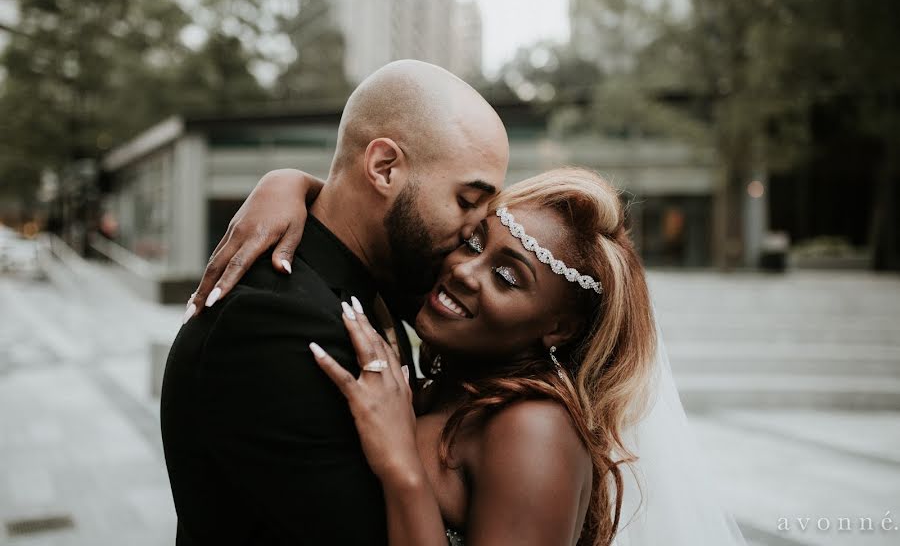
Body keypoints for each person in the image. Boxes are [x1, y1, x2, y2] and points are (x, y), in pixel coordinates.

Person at [189, 169, 748, 546]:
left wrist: (400, 466)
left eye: (507, 276)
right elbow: (363, 206)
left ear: (558, 328)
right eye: (475, 241)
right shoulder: (453, 363)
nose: (464, 270)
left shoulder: (534, 429)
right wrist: (285, 184)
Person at [160, 59, 509, 546]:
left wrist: (293, 181)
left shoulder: (383, 275)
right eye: (468, 200)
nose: (475, 229)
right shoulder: (275, 324)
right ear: (384, 168)